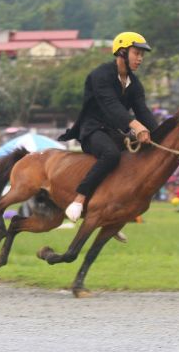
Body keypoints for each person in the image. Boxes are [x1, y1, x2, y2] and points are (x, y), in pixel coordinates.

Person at [57, 32, 158, 240]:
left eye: (142, 55)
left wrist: (159, 136)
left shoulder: (134, 84)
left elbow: (143, 111)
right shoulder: (100, 76)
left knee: (135, 158)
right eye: (136, 53)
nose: (140, 58)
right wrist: (136, 125)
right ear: (122, 52)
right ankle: (79, 199)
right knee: (111, 155)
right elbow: (111, 106)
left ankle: (110, 217)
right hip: (92, 130)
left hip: (114, 133)